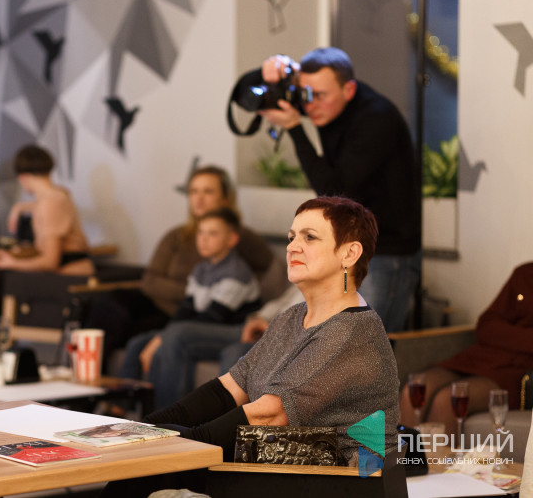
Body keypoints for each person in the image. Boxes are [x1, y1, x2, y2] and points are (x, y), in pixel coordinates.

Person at [100, 196, 399, 496]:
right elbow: (226, 389)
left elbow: (269, 415)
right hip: (284, 453)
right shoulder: (291, 317)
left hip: (343, 474)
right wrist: (142, 427)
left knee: (157, 458)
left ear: (349, 253)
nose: (292, 247)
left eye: (309, 237)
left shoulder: (352, 331)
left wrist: (183, 443)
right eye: (291, 237)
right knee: (151, 452)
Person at [259, 47, 421, 332]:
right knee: (332, 341)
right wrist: (276, 70)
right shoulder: (326, 101)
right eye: (305, 95)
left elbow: (332, 189)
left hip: (387, 252)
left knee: (364, 343)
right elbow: (264, 89)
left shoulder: (376, 119)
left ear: (349, 90)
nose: (311, 105)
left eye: (320, 95)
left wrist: (295, 128)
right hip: (352, 247)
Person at [82, 165, 276, 371]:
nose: (199, 199)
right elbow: (150, 281)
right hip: (173, 304)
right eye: (193, 191)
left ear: (225, 198)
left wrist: (204, 291)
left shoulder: (241, 239)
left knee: (136, 332)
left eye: (208, 191)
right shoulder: (177, 236)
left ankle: (108, 378)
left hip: (192, 312)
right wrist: (191, 289)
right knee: (111, 301)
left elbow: (265, 270)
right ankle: (90, 374)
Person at [119, 207, 263, 407]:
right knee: (139, 342)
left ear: (232, 240)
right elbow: (186, 311)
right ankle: (121, 408)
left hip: (233, 331)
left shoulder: (237, 272)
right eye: (200, 233)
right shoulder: (200, 269)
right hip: (201, 328)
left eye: (212, 234)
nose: (203, 239)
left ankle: (168, 415)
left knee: (175, 336)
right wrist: (161, 336)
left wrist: (163, 337)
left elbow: (213, 317)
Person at [399, 261, 533, 435]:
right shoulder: (525, 273)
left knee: (447, 400)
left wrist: (503, 334)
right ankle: (406, 453)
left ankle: (437, 454)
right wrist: (519, 338)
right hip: (481, 356)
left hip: (516, 371)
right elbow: (486, 326)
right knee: (413, 390)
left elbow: (494, 330)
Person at [0, 145, 94, 276]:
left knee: (4, 278)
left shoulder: (50, 203)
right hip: (74, 271)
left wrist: (12, 263)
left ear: (22, 177)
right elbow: (47, 206)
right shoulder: (59, 194)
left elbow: (50, 262)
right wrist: (19, 207)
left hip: (70, 275)